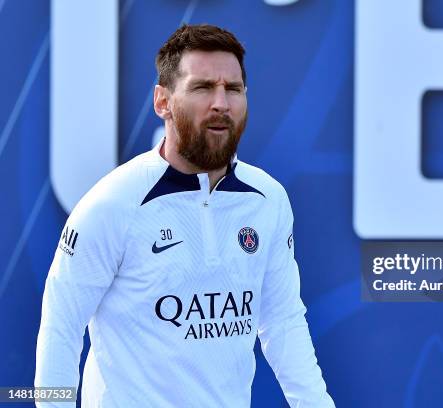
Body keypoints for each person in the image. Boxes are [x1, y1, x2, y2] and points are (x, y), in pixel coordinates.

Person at [35, 24, 335, 408]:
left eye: (233, 89)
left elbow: (283, 322)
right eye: (202, 87)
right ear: (162, 102)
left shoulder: (268, 199)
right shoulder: (110, 205)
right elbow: (60, 330)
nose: (221, 103)